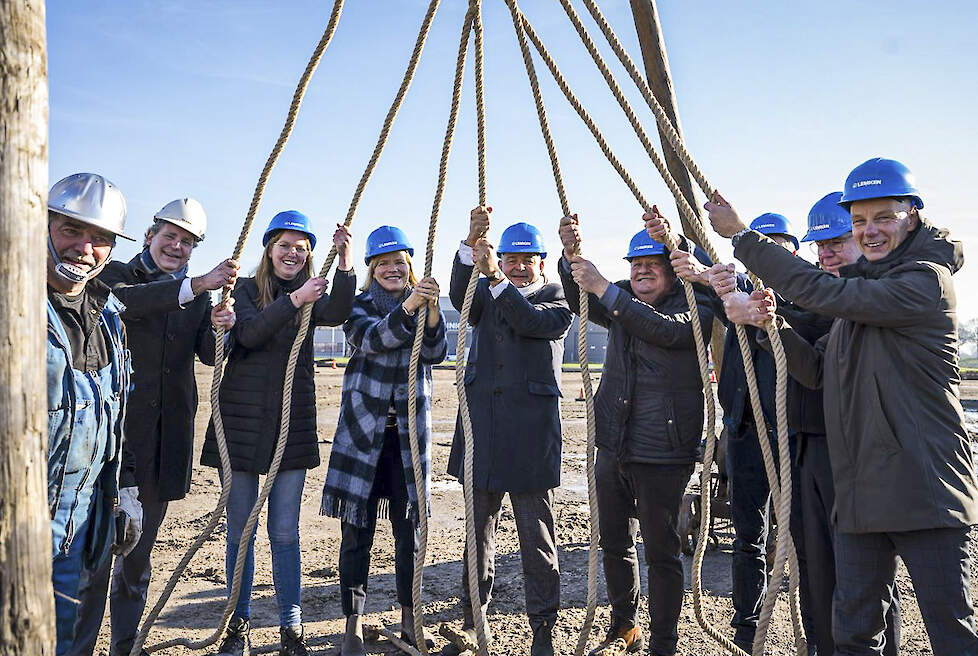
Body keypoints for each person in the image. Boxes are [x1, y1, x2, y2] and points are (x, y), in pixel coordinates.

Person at [701, 158, 978, 656]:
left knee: (951, 632)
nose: (869, 231)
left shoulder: (923, 282)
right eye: (860, 221)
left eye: (883, 217)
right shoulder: (863, 297)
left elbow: (819, 289)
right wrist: (771, 328)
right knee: (852, 633)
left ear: (911, 215)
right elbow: (819, 372)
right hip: (863, 493)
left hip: (924, 490)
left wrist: (742, 237)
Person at [68, 199, 238, 656]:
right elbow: (125, 306)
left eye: (187, 242)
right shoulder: (113, 276)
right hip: (113, 446)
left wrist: (221, 325)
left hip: (165, 446)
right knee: (96, 561)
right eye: (170, 237)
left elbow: (206, 352)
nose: (177, 247)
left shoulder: (195, 297)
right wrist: (197, 284)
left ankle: (125, 646)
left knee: (137, 561)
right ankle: (80, 648)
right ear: (150, 236)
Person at [557, 212, 713, 656]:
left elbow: (660, 329)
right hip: (616, 446)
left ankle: (665, 642)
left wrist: (605, 288)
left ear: (674, 269)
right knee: (613, 543)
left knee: (662, 553)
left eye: (652, 265)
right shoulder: (622, 299)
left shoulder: (695, 307)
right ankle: (624, 625)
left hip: (663, 451)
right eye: (635, 265)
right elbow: (580, 300)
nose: (640, 272)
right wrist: (571, 259)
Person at [201, 210, 356, 656]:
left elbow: (340, 309)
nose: (292, 254)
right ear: (269, 250)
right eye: (285, 245)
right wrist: (294, 300)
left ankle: (292, 626)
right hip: (242, 426)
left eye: (301, 248)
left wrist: (343, 262)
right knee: (239, 531)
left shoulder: (313, 293)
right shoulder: (247, 291)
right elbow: (247, 335)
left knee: (285, 532)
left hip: (292, 429)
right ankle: (238, 623)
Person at [673, 212, 809, 652]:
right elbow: (704, 285)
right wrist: (679, 250)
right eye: (762, 244)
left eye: (778, 245)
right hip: (744, 430)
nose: (769, 253)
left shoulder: (805, 294)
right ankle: (748, 626)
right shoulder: (736, 291)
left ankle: (816, 628)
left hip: (793, 434)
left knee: (804, 538)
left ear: (791, 252)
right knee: (748, 537)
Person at [444, 207, 572, 656]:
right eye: (510, 258)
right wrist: (469, 241)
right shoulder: (484, 291)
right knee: (477, 534)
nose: (518, 266)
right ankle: (472, 618)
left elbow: (527, 321)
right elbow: (461, 292)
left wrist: (495, 275)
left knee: (536, 538)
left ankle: (543, 628)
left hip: (531, 440)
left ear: (541, 262)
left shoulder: (557, 300)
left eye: (527, 259)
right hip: (483, 431)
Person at [320, 225, 447, 656]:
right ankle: (352, 622)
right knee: (356, 532)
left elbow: (434, 352)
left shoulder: (424, 304)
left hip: (407, 440)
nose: (394, 270)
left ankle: (410, 617)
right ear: (372, 270)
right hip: (363, 440)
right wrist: (411, 306)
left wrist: (428, 311)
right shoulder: (357, 309)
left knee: (408, 532)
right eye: (384, 264)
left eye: (400, 264)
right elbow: (373, 339)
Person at [46, 173, 140, 655]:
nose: (85, 247)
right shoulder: (17, 308)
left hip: (88, 517)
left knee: (68, 635)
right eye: (70, 231)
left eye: (99, 237)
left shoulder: (108, 318)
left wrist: (124, 490)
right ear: (41, 227)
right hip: (27, 518)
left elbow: (116, 417)